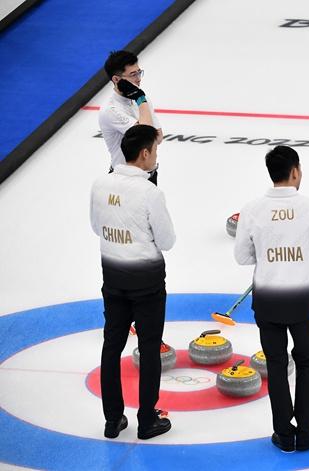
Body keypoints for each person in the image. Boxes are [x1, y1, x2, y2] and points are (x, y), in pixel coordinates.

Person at [234, 146, 309, 452]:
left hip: (268, 301)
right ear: (294, 171)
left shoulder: (252, 209)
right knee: (307, 362)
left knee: (276, 365)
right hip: (302, 301)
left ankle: (283, 432)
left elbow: (242, 257)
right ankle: (306, 431)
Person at [90, 124, 175, 439]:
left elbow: (96, 226)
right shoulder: (150, 192)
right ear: (144, 154)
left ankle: (112, 420)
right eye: (155, 150)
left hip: (112, 277)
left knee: (111, 345)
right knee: (149, 348)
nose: (156, 156)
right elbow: (167, 241)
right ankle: (147, 420)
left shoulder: (101, 183)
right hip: (147, 282)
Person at [99, 50, 163, 185]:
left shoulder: (141, 99)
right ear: (116, 79)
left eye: (139, 72)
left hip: (149, 176)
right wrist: (140, 99)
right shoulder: (111, 110)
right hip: (124, 180)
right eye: (133, 74)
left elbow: (158, 138)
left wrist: (141, 99)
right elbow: (146, 138)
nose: (139, 78)